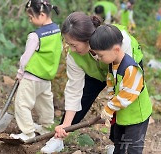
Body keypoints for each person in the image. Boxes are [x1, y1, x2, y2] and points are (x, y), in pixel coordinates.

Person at [40, 12, 143, 153]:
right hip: (97, 72)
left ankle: (116, 143)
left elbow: (124, 92)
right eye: (69, 44)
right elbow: (74, 90)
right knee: (83, 97)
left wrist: (109, 108)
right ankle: (59, 138)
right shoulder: (74, 56)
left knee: (122, 103)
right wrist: (66, 124)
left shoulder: (117, 41)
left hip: (122, 71)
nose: (71, 49)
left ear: (88, 40)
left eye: (74, 45)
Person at [89, 24, 152, 154]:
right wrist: (110, 99)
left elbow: (127, 94)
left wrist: (110, 107)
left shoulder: (130, 68)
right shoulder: (113, 63)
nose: (99, 59)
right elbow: (112, 82)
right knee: (119, 143)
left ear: (116, 49)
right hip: (123, 113)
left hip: (136, 116)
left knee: (133, 148)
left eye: (101, 55)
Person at [10, 0, 62, 141]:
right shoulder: (57, 30)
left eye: (31, 17)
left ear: (42, 14)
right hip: (46, 77)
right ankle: (47, 128)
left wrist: (20, 73)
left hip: (31, 77)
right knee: (45, 104)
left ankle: (28, 133)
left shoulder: (35, 36)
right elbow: (59, 50)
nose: (30, 20)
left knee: (22, 104)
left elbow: (25, 58)